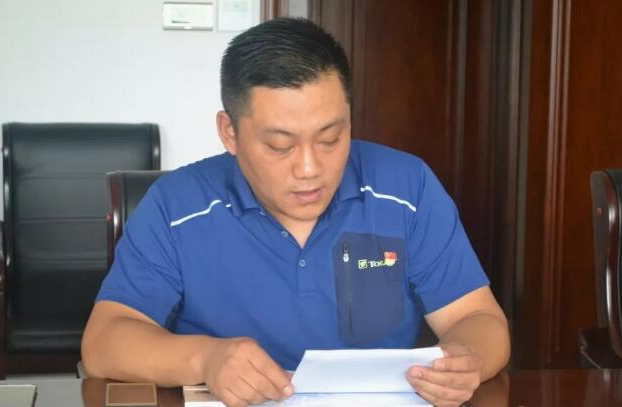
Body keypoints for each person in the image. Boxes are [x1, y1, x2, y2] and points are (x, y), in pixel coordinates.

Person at [82, 17, 509, 407]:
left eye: (330, 139)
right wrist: (205, 358)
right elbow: (105, 341)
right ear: (229, 133)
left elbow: (478, 318)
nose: (309, 169)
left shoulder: (407, 188)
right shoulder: (176, 206)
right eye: (280, 146)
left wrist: (464, 359)